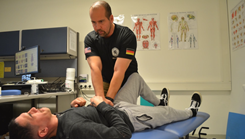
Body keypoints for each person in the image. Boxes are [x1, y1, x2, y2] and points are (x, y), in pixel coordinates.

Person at [8, 73, 202, 139]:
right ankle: (191, 111)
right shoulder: (74, 129)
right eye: (31, 115)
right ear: (42, 132)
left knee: (134, 78)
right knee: (166, 113)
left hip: (115, 106)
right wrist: (100, 105)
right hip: (130, 118)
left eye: (28, 111)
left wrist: (79, 107)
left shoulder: (60, 120)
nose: (32, 109)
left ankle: (160, 101)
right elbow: (122, 133)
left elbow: (83, 118)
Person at [84, 1, 140, 106]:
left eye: (101, 21)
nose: (97, 27)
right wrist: (100, 100)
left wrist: (109, 99)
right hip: (105, 79)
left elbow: (119, 70)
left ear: (111, 18)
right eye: (94, 22)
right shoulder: (90, 39)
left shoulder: (127, 36)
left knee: (122, 111)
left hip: (127, 79)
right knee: (99, 110)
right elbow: (95, 68)